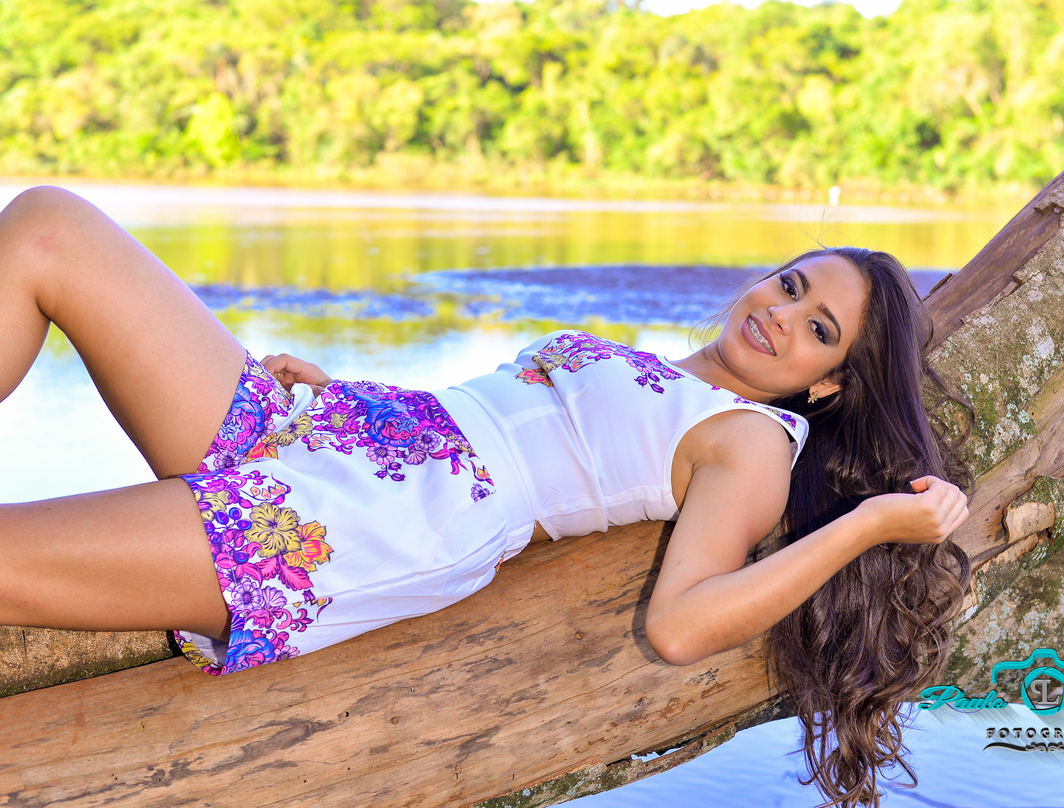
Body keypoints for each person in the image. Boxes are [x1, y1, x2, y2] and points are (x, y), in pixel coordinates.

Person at [0, 186, 971, 808]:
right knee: (50, 227)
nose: (781, 314)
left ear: (828, 384)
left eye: (818, 329)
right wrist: (351, 395)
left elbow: (682, 625)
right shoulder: (673, 376)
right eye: (791, 286)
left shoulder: (752, 441)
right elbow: (506, 414)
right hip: (350, 433)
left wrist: (870, 524)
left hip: (383, 519)